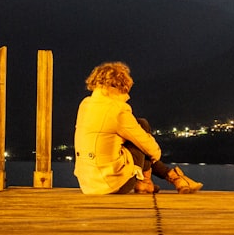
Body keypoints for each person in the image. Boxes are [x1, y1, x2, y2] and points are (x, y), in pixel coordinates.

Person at [73, 61, 203, 195]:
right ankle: (156, 180)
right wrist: (156, 155)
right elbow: (149, 147)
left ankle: (169, 179)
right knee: (142, 126)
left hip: (87, 183)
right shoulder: (118, 110)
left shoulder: (85, 105)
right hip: (112, 184)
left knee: (132, 138)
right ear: (122, 84)